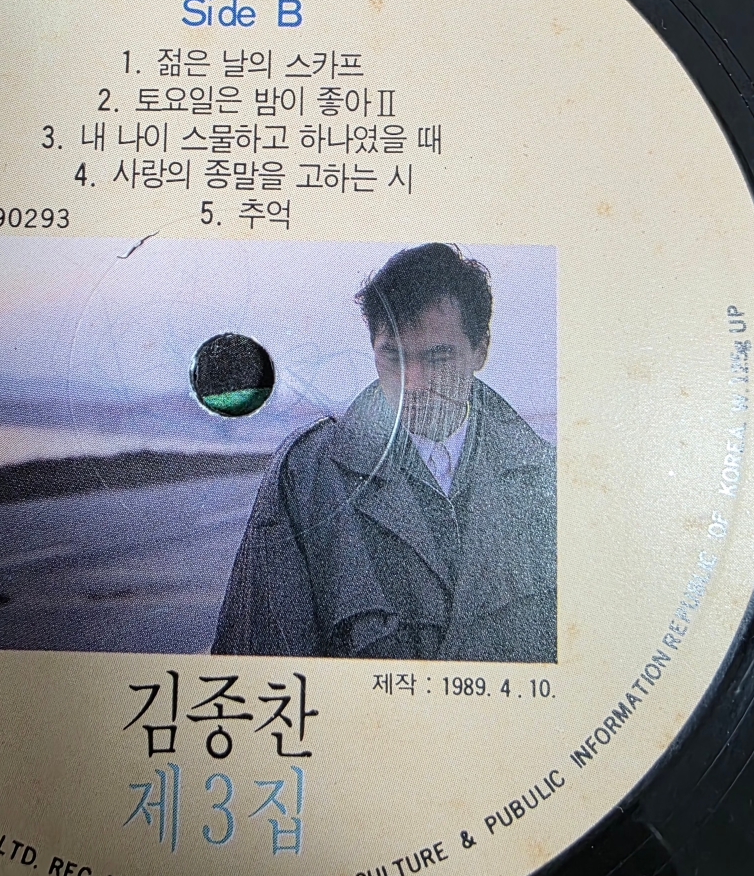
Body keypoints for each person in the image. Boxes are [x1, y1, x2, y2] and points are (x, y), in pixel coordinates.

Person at [212, 243, 556, 661]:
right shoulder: (305, 478)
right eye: (393, 357)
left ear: (480, 349)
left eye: (438, 357)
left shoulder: (548, 483)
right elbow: (258, 672)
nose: (414, 384)